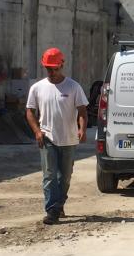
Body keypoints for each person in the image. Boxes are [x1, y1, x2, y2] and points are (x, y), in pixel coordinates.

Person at [26, 47, 88, 225]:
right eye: (48, 69)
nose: (52, 72)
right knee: (49, 175)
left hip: (68, 139)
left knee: (65, 176)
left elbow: (82, 110)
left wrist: (81, 128)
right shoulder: (37, 88)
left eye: (55, 69)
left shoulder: (73, 87)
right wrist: (37, 131)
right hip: (47, 138)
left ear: (62, 65)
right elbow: (30, 111)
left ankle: (59, 203)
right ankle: (52, 210)